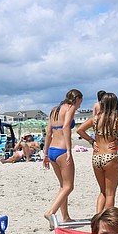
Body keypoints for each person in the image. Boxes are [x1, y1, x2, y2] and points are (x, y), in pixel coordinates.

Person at [75, 92, 118, 213]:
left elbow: (79, 129)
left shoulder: (95, 119)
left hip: (96, 157)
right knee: (110, 194)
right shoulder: (117, 119)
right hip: (110, 156)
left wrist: (92, 141)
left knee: (102, 191)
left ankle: (98, 218)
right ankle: (107, 221)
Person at [43, 89, 84, 225]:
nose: (79, 106)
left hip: (52, 150)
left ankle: (65, 217)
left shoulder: (54, 110)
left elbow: (48, 133)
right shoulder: (70, 108)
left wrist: (45, 154)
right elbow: (66, 127)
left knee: (62, 186)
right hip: (61, 150)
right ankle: (50, 212)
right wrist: (69, 150)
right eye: (80, 102)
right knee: (69, 186)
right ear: (76, 99)